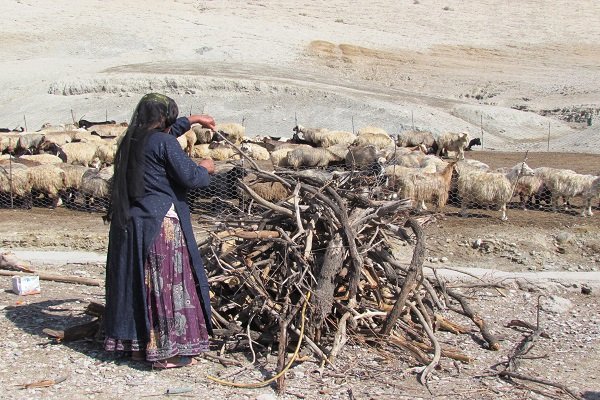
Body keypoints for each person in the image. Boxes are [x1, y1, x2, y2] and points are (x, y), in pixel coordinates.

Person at [103, 93, 216, 369]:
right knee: (165, 283)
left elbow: (159, 139)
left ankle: (139, 349)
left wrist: (193, 120)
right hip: (160, 224)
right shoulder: (163, 142)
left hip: (131, 224)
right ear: (165, 118)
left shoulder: (130, 140)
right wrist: (205, 168)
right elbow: (190, 177)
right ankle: (168, 353)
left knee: (137, 283)